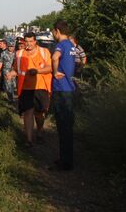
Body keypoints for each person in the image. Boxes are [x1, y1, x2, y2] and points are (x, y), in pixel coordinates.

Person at [8, 32, 52, 147]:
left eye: (31, 41)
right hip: (25, 88)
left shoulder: (44, 52)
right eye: (26, 42)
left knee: (39, 113)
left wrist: (37, 71)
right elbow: (16, 69)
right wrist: (11, 74)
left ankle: (40, 130)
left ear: (35, 41)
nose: (28, 44)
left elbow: (50, 68)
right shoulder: (19, 54)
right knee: (28, 112)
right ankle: (29, 139)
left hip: (40, 87)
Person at [51, 20, 76, 171]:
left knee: (63, 126)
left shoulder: (61, 45)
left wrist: (54, 72)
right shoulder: (71, 45)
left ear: (57, 31)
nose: (53, 35)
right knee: (67, 126)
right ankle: (66, 159)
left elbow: (54, 58)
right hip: (70, 88)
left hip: (61, 89)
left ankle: (65, 162)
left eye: (53, 32)